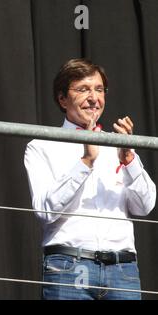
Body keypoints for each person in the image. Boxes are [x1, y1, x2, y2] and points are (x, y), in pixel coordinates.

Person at [24, 58, 156, 300]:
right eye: (83, 89)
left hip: (122, 270)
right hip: (67, 267)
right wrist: (85, 162)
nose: (94, 98)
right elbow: (45, 212)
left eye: (99, 90)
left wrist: (129, 159)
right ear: (62, 99)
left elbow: (145, 206)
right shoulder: (41, 145)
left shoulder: (119, 144)